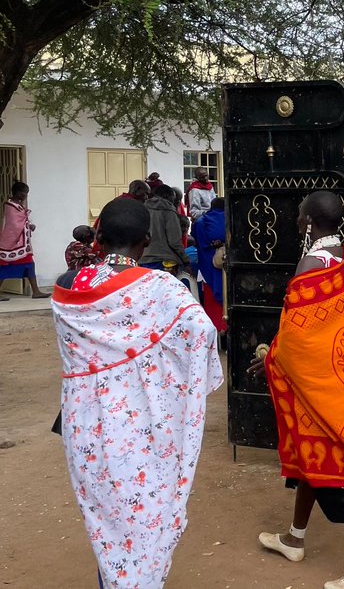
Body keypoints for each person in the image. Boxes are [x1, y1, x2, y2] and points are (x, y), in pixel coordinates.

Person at [51, 197, 223, 589]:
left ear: (98, 236)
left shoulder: (65, 285)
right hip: (142, 427)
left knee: (104, 521)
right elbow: (202, 335)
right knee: (144, 521)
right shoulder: (162, 288)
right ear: (146, 240)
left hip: (85, 427)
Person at [251, 191, 344, 589]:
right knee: (310, 464)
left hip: (325, 397)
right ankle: (294, 539)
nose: (296, 219)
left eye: (299, 214)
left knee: (340, 476)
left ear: (309, 222)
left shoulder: (311, 264)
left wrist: (270, 356)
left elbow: (298, 342)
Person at [0, 181, 50, 298]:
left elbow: (22, 221)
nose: (26, 196)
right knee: (4, 267)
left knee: (29, 264)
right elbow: (13, 224)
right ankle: (36, 291)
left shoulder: (18, 204)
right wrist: (26, 224)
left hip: (22, 245)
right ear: (18, 193)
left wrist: (28, 225)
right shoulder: (10, 205)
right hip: (12, 244)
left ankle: (36, 291)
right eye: (24, 193)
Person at [192, 198, 227, 333]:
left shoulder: (201, 221)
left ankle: (215, 332)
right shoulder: (229, 219)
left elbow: (197, 240)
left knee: (211, 302)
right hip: (226, 264)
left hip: (207, 265)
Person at [139, 184, 189, 273]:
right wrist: (186, 261)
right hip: (164, 261)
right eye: (174, 199)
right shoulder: (169, 211)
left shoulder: (142, 209)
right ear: (168, 197)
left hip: (142, 260)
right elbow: (174, 241)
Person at [92, 180, 151, 253]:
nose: (147, 198)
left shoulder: (119, 201)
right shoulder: (127, 205)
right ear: (137, 190)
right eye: (146, 193)